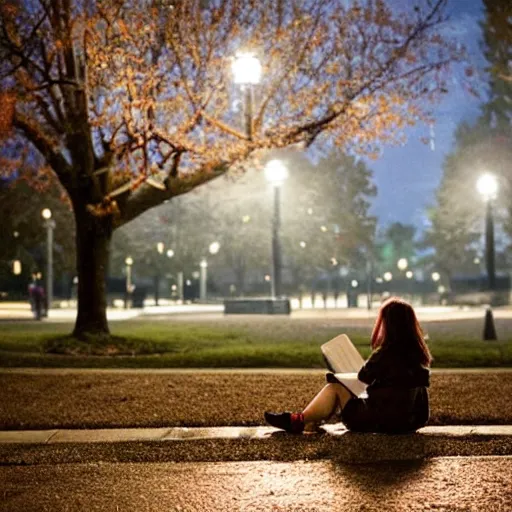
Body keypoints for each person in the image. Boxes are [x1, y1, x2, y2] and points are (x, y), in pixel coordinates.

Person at [265, 297, 432, 435]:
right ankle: (308, 421)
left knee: (335, 387)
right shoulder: (417, 356)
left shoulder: (384, 354)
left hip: (380, 422)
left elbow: (363, 378)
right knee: (341, 387)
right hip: (409, 422)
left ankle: (298, 420)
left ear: (387, 325)